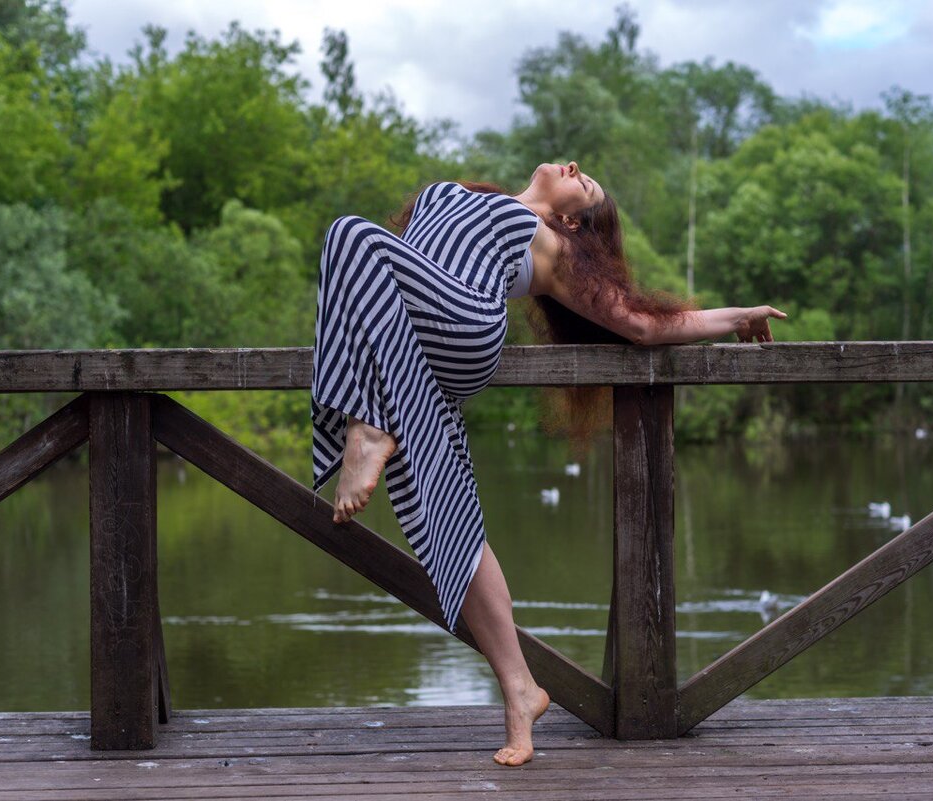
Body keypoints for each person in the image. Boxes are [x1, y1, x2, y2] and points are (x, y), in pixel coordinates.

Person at [310, 161, 786, 767]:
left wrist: (735, 316)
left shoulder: (553, 246)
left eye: (587, 188)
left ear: (571, 220)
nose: (578, 170)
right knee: (449, 517)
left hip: (467, 326)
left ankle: (367, 425)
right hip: (414, 343)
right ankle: (521, 691)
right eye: (583, 173)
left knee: (349, 234)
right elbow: (381, 284)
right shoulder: (458, 196)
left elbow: (642, 324)